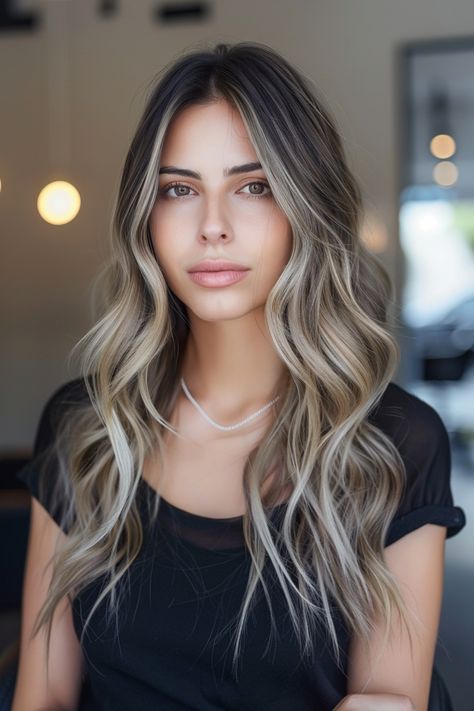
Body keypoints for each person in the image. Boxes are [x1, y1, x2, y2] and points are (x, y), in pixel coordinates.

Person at [12, 41, 466, 711]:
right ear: (146, 216)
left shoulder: (394, 444)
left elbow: (387, 699)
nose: (213, 226)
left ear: (304, 208)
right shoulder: (86, 428)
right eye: (179, 189)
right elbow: (41, 696)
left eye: (253, 187)